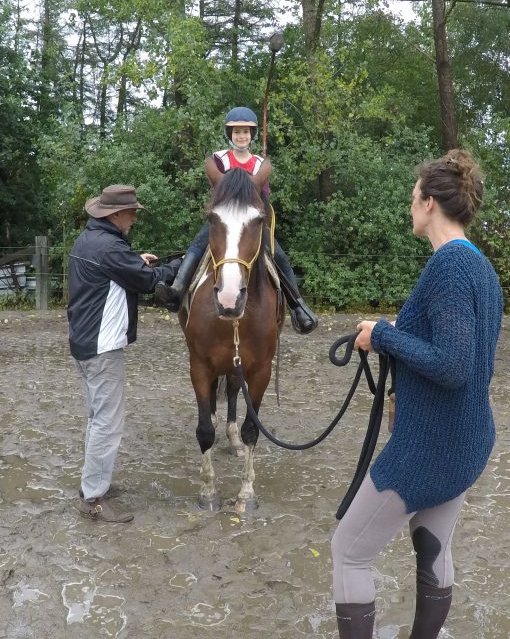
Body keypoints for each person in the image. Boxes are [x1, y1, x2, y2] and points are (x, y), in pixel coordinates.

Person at [331, 150, 503, 638]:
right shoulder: (482, 269)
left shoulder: (449, 267)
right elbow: (462, 358)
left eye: (413, 198)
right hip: (466, 441)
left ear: (429, 203)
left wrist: (383, 335)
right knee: (433, 547)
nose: (410, 206)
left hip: (427, 448)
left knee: (349, 551)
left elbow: (452, 365)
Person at [67, 184, 180, 523]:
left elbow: (121, 270)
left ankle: (93, 483)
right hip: (102, 349)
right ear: (115, 215)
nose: (134, 217)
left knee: (96, 417)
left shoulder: (91, 240)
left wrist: (135, 261)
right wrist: (180, 265)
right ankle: (93, 500)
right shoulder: (111, 248)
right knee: (107, 423)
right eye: (132, 212)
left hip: (84, 343)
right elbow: (149, 282)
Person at [155, 106, 318, 334]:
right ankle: (178, 289)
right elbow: (215, 182)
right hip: (224, 217)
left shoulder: (260, 163)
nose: (241, 136)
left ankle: (298, 306)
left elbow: (264, 195)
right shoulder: (220, 159)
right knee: (197, 245)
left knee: (278, 255)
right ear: (229, 135)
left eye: (246, 132)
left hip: (249, 221)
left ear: (252, 135)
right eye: (236, 132)